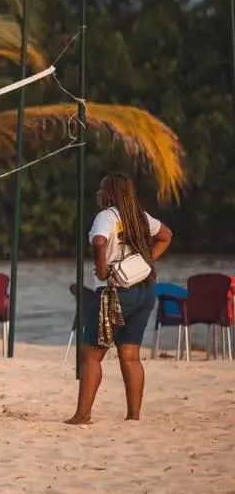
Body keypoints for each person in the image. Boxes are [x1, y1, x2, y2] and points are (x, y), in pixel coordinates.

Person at [67, 172, 173, 425]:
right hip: (145, 289)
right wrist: (147, 260)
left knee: (91, 354)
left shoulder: (106, 217)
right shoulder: (140, 216)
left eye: (102, 189)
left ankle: (83, 415)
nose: (99, 193)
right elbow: (166, 235)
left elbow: (100, 242)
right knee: (130, 355)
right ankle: (133, 415)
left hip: (114, 291)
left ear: (110, 193)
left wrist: (103, 270)